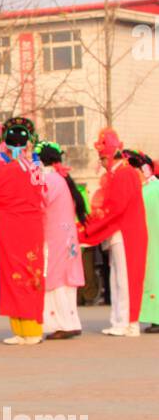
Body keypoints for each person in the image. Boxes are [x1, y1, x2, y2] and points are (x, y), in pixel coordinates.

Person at [0, 117, 45, 345]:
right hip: (33, 227)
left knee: (17, 275)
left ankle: (27, 330)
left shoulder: (11, 170)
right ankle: (28, 329)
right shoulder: (36, 169)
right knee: (30, 275)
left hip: (15, 229)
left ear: (7, 144)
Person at [81, 129, 148, 338]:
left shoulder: (124, 174)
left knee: (125, 279)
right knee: (118, 276)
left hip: (125, 232)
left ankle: (128, 321)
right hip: (120, 231)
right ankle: (120, 320)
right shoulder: (119, 174)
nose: (101, 162)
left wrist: (94, 225)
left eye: (103, 157)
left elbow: (116, 207)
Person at [37, 140, 85, 340]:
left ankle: (62, 323)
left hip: (54, 238)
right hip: (67, 238)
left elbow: (39, 205)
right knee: (66, 280)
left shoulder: (48, 180)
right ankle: (71, 321)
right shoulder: (61, 179)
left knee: (55, 279)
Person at [126, 152, 159, 332]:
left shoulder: (150, 190)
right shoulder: (148, 189)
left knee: (154, 275)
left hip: (153, 238)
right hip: (150, 238)